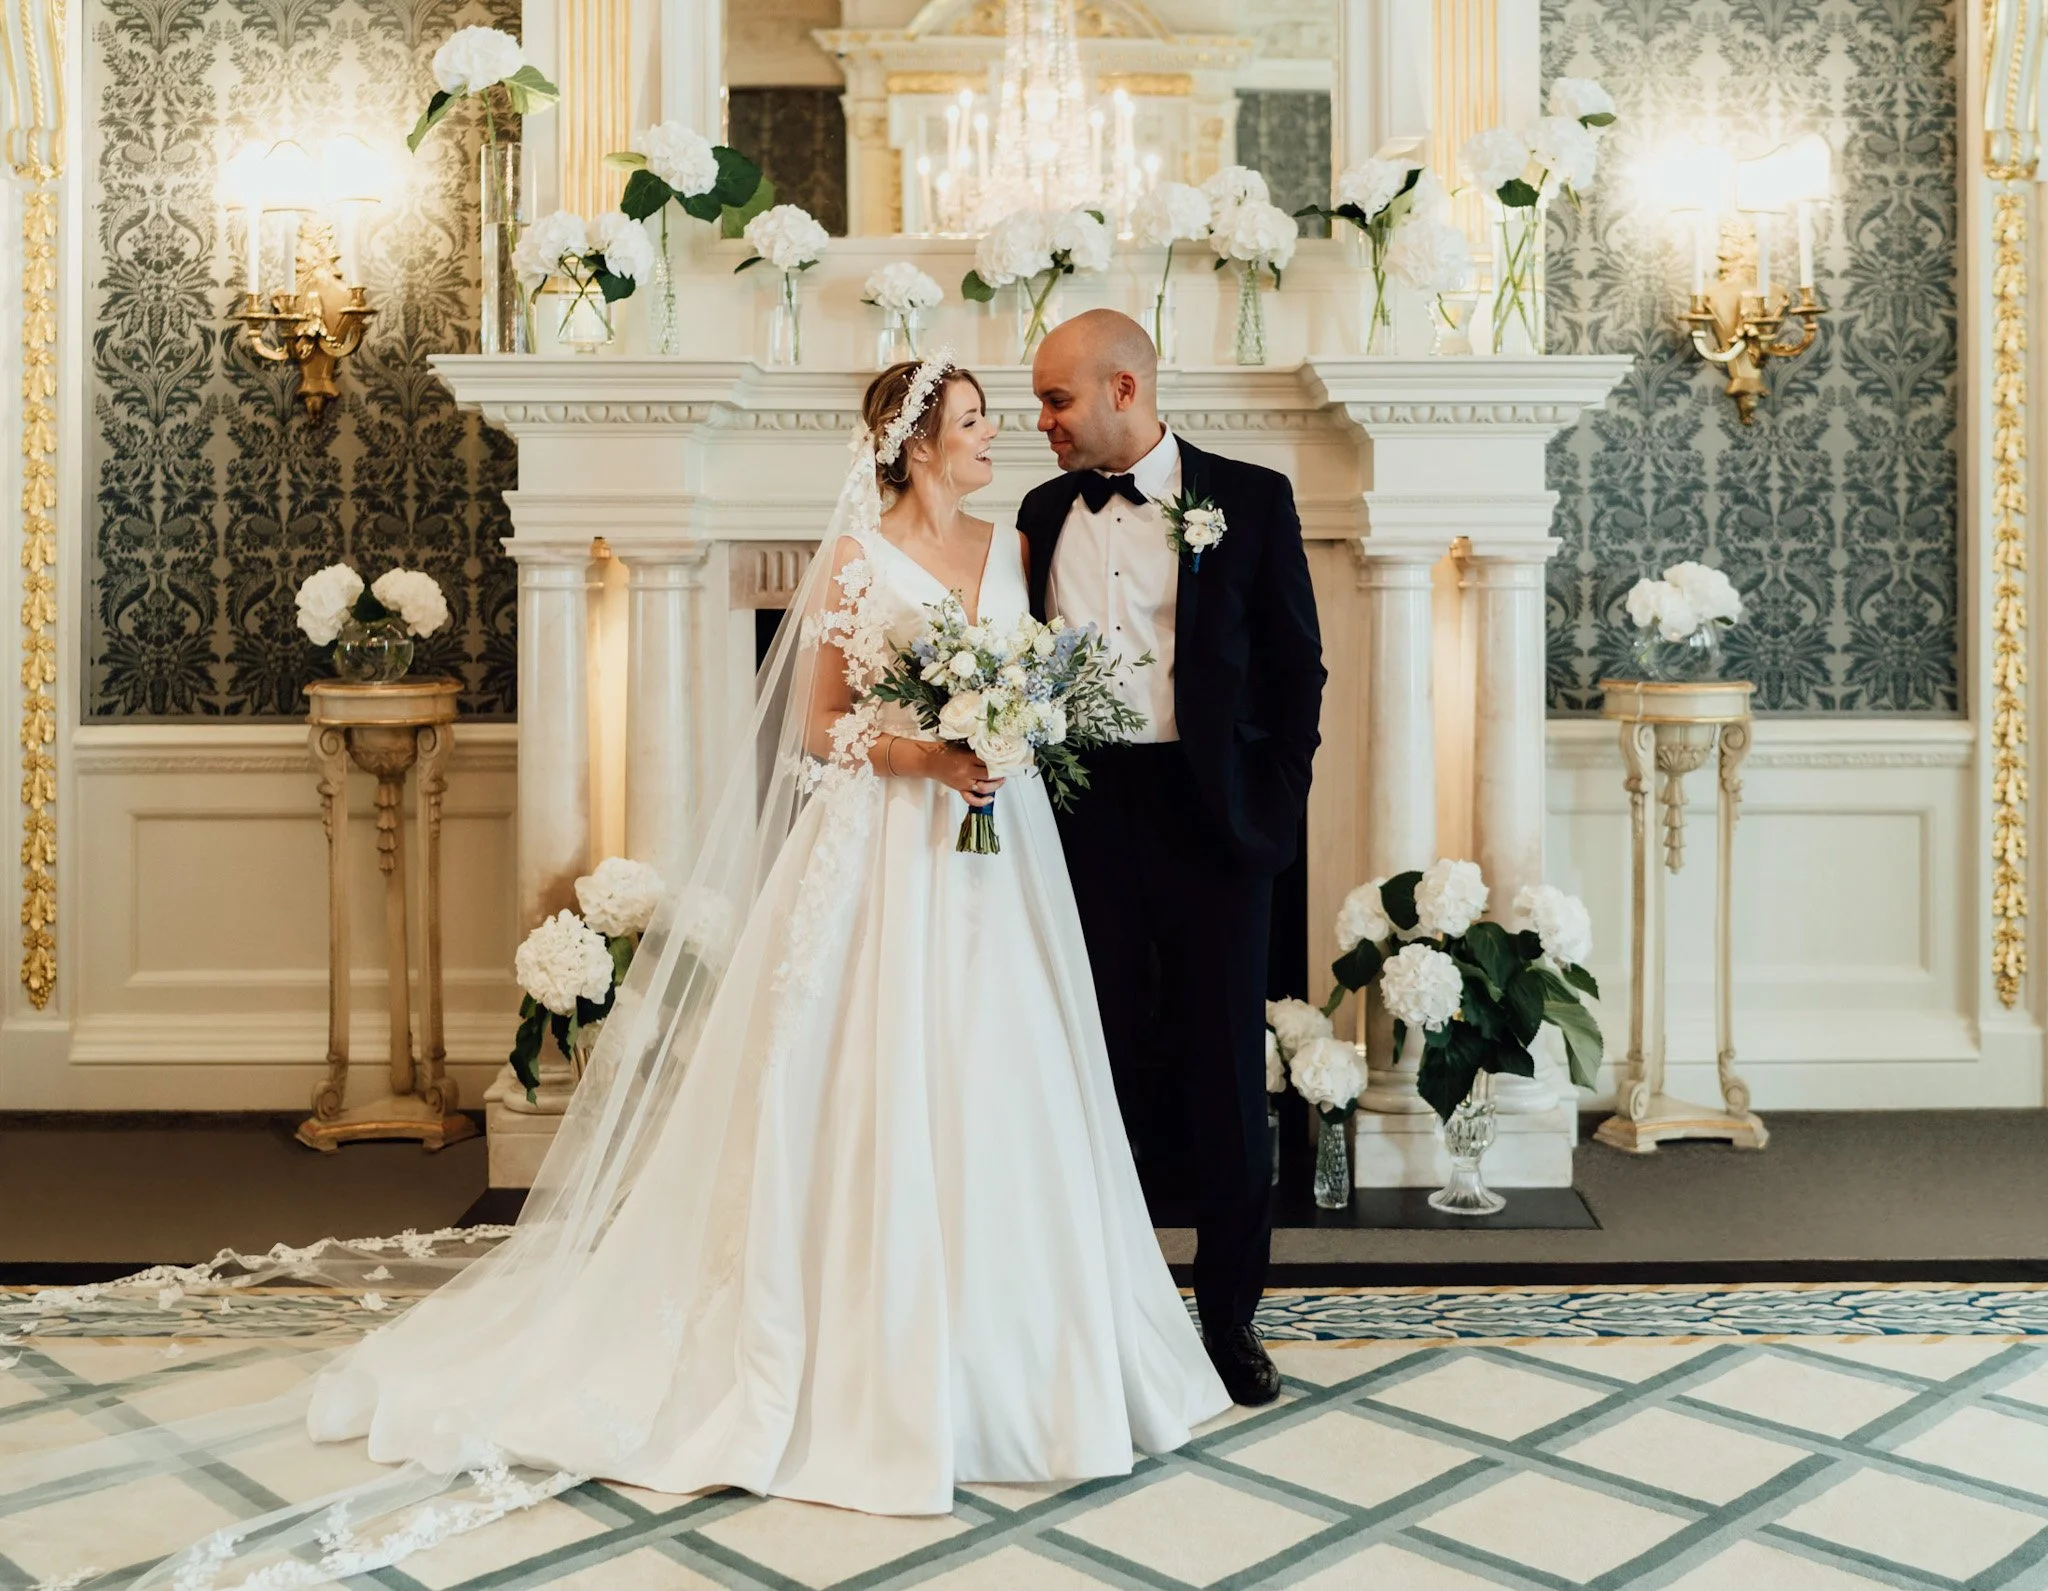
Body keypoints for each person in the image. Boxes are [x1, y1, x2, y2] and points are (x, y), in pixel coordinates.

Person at [288, 353, 1231, 1531]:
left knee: (1008, 1071)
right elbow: (822, 726)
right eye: (978, 423)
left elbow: (1041, 680)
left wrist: (1007, 739)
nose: (999, 439)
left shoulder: (1015, 547)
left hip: (1002, 851)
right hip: (884, 848)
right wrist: (929, 752)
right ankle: (848, 1354)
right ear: (917, 441)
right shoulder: (854, 559)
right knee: (860, 1077)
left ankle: (1026, 1363)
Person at [1021, 309, 1328, 1408]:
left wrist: (1272, 803)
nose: (1040, 422)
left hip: (1211, 822)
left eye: (1055, 400)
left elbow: (1297, 669)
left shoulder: (1249, 499)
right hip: (1077, 814)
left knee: (1220, 1076)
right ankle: (1096, 1309)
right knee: (1084, 1060)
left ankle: (1230, 1320)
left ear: (1121, 388)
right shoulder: (1038, 510)